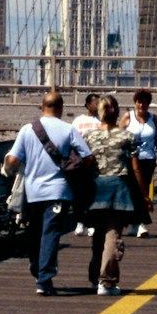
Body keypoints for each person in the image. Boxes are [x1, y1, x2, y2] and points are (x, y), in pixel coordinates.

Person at [3, 89, 92, 295]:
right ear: (61, 108)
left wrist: (8, 163)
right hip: (59, 190)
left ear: (42, 107)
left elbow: (13, 160)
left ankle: (37, 268)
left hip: (33, 191)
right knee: (50, 233)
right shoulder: (68, 130)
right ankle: (44, 279)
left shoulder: (27, 129)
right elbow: (88, 157)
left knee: (35, 232)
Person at [83, 95, 137, 295]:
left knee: (99, 236)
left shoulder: (88, 137)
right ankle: (106, 282)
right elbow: (136, 168)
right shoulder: (126, 137)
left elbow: (85, 164)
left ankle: (94, 277)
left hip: (96, 190)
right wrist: (143, 194)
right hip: (118, 190)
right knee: (113, 235)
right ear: (116, 112)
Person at [125, 89, 157, 237]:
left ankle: (137, 224)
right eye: (139, 101)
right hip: (131, 160)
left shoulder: (154, 119)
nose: (141, 105)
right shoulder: (128, 117)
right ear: (135, 102)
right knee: (135, 191)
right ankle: (138, 224)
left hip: (148, 159)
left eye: (145, 102)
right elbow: (119, 136)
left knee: (142, 191)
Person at [69, 93, 103, 236]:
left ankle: (91, 223)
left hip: (96, 163)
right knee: (78, 194)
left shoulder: (101, 121)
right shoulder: (78, 121)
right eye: (95, 103)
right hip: (80, 162)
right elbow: (72, 139)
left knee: (93, 194)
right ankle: (79, 222)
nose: (97, 106)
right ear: (88, 105)